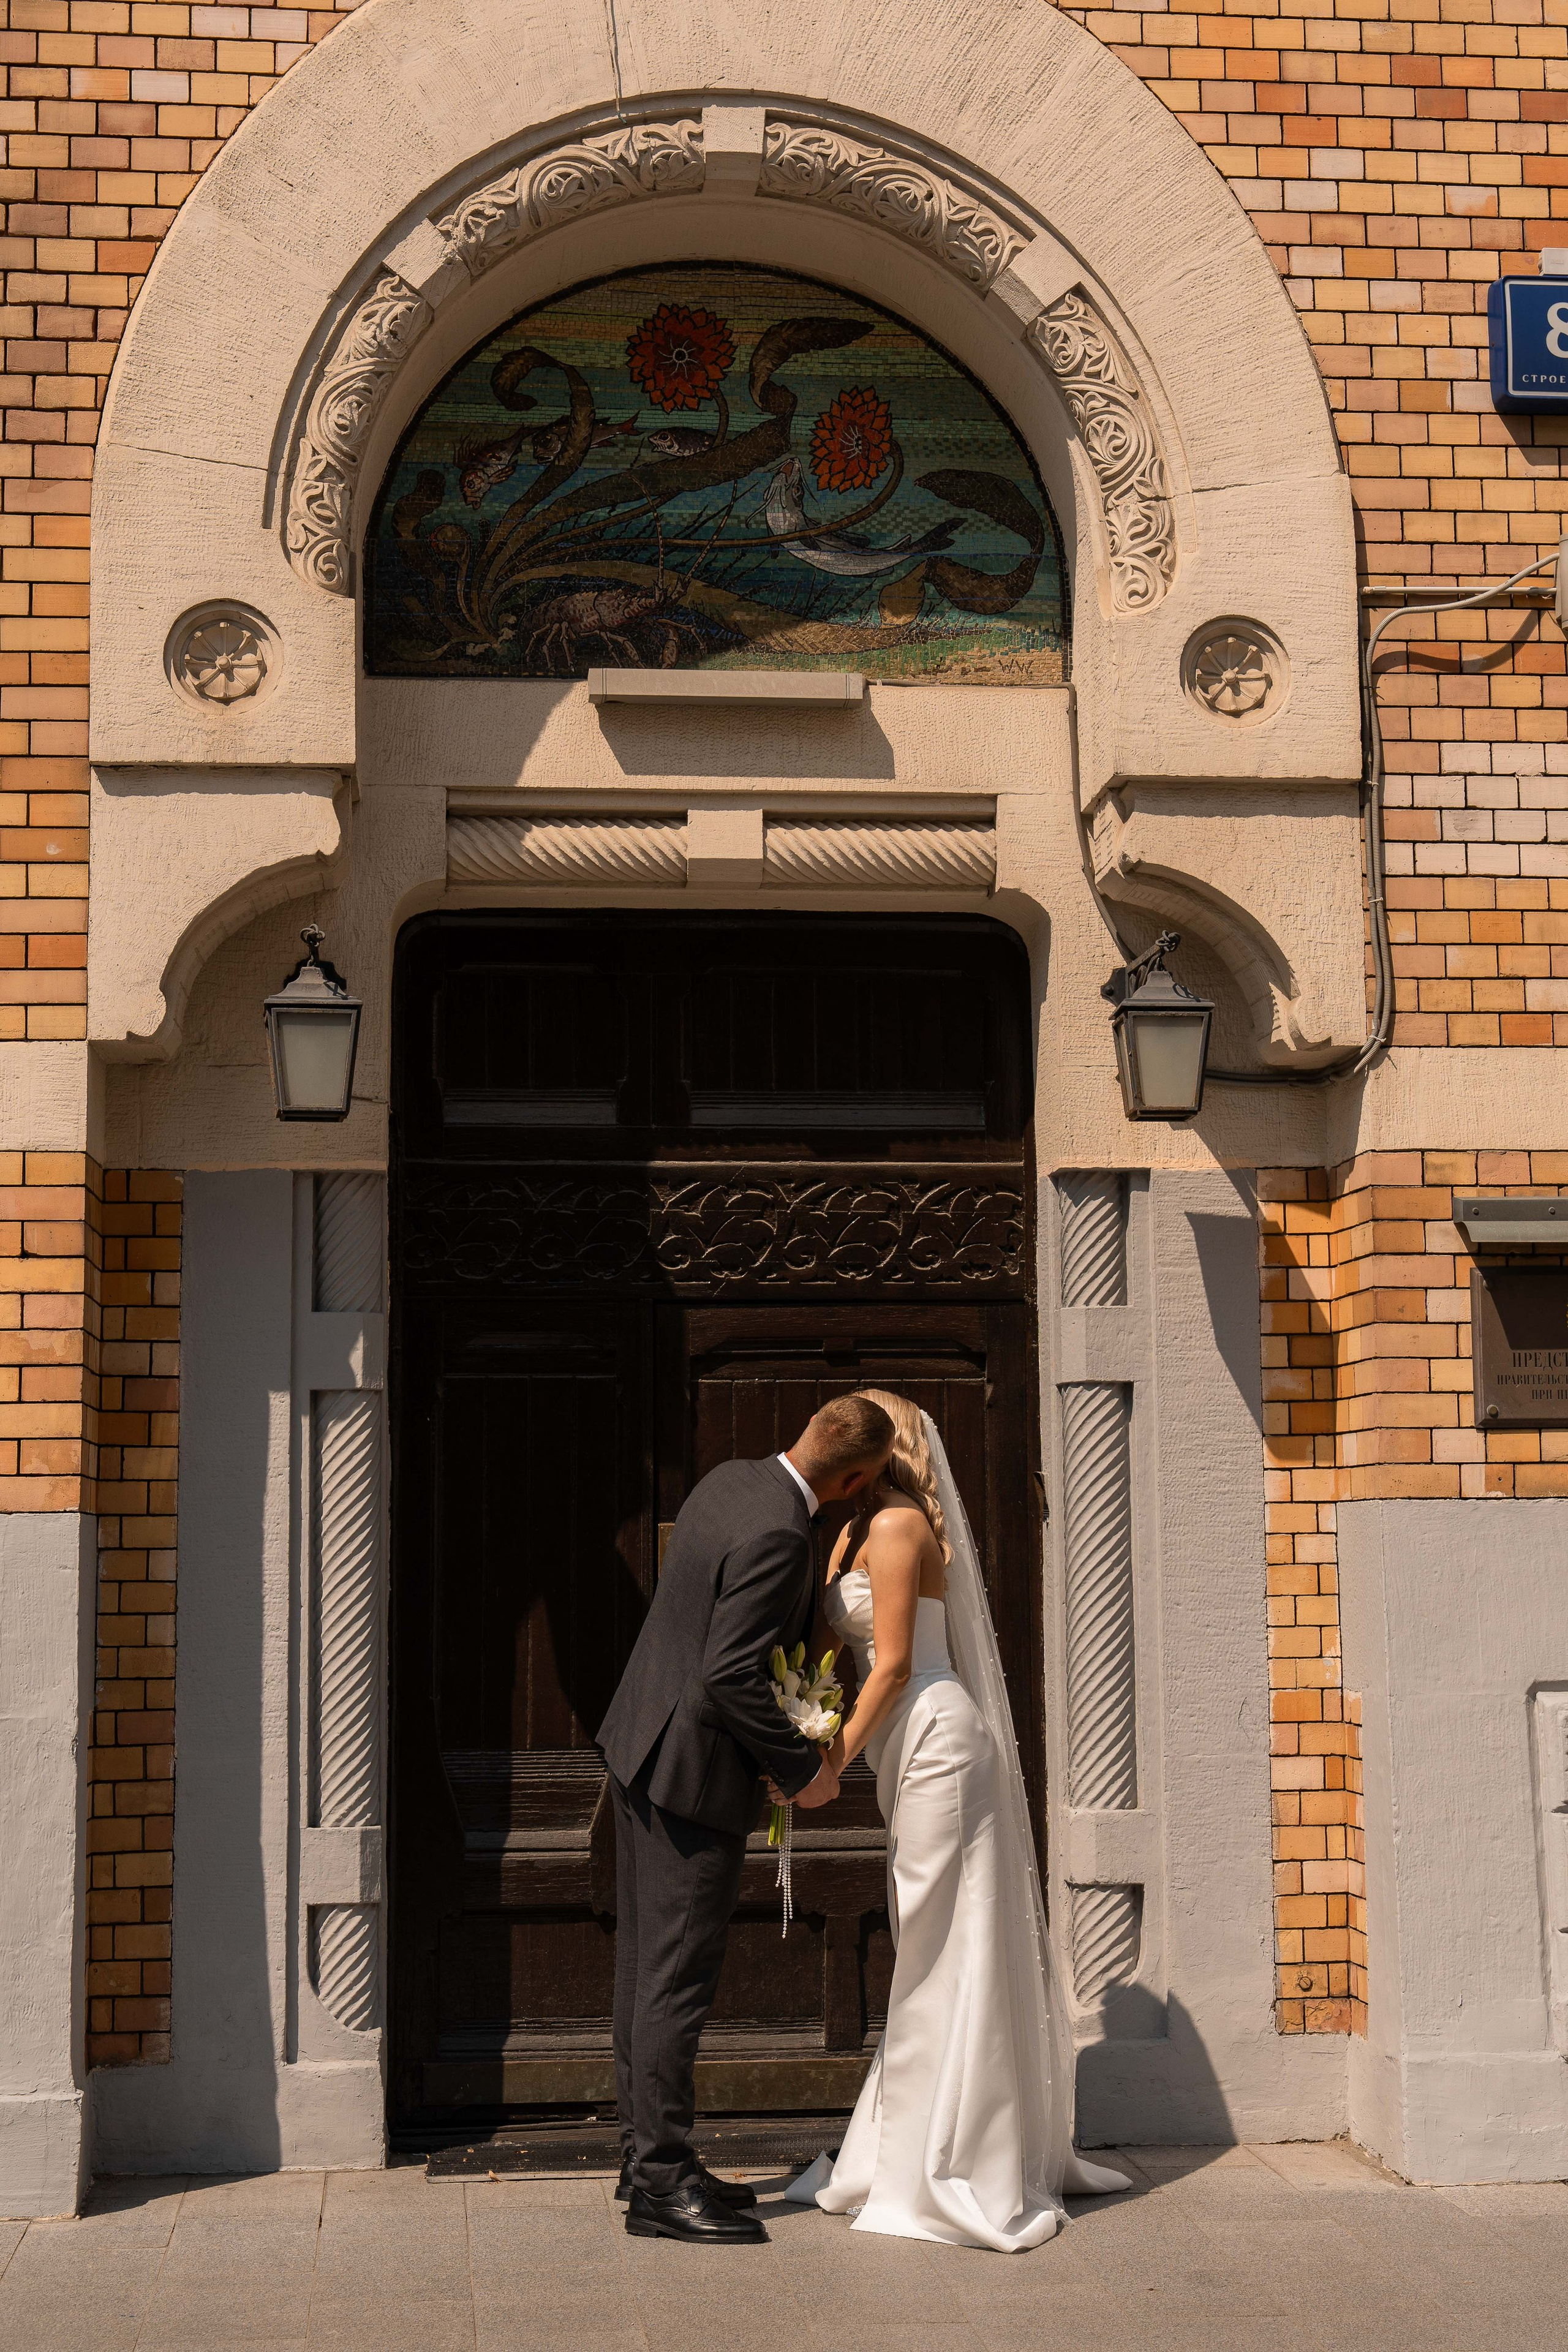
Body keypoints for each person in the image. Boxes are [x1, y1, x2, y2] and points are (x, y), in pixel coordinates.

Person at [780, 1389, 1129, 2250]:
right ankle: (910, 2140)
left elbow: (895, 1665)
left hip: (938, 1740)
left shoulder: (900, 1525)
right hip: (899, 1751)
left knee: (940, 1943)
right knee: (926, 1938)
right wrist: (793, 1718)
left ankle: (947, 2157)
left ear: (884, 1447)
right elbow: (833, 1653)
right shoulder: (851, 1532)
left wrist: (828, 1765)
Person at [597, 1393, 895, 2244]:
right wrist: (803, 1770)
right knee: (674, 1980)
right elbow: (731, 1673)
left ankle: (645, 2157)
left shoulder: (731, 1479)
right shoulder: (780, 1533)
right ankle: (661, 2184)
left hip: (641, 1749)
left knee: (643, 1971)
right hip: (690, 1778)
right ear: (857, 1479)